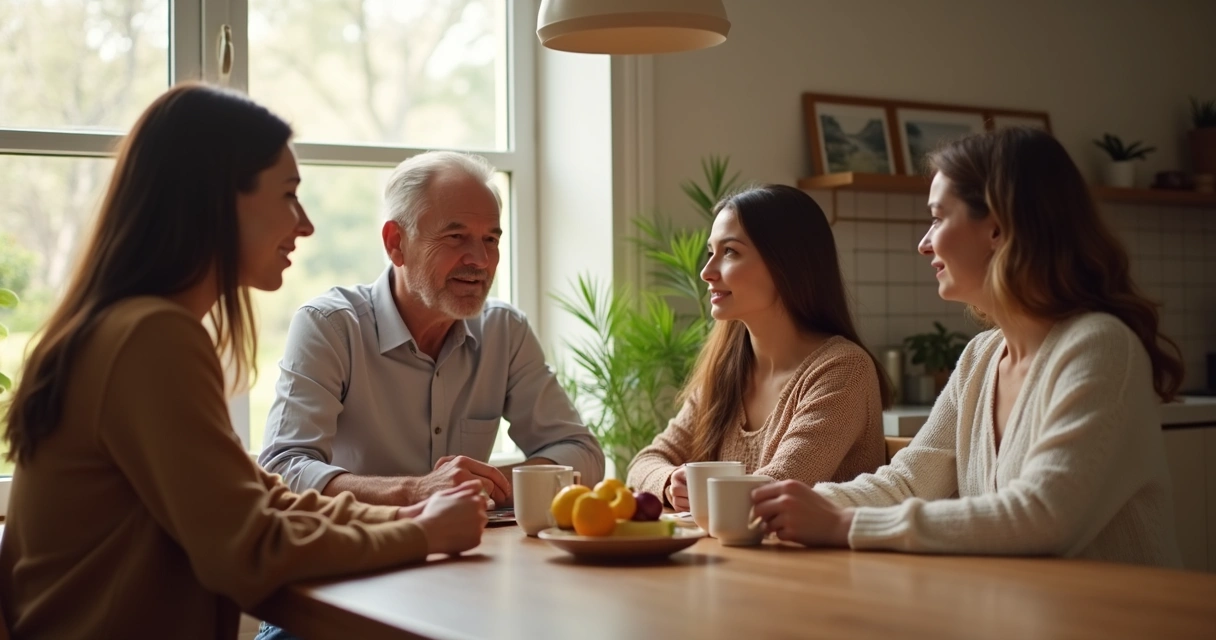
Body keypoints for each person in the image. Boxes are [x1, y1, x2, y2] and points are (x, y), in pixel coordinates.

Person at [0, 84, 488, 639]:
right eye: (287, 195)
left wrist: (406, 518)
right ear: (215, 201)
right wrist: (420, 535)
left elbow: (260, 499)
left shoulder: (125, 327)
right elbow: (246, 549)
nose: (304, 224)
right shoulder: (149, 339)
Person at [751, 127, 1184, 567]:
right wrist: (781, 503)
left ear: (997, 228)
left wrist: (843, 526)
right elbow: (907, 484)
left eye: (938, 218)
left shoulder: (1099, 346)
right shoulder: (981, 357)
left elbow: (1043, 517)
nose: (924, 243)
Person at [257, 151, 604, 511]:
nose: (480, 260)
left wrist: (486, 486)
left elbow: (583, 455)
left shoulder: (504, 330)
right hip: (363, 555)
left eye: (490, 240)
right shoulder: (330, 327)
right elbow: (283, 469)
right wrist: (415, 491)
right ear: (395, 243)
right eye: (456, 236)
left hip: (471, 554)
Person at [627, 185, 890, 509]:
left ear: (786, 265)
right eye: (712, 252)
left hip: (820, 561)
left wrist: (695, 490)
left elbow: (775, 490)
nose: (707, 272)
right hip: (739, 558)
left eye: (731, 252)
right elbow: (645, 462)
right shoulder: (728, 368)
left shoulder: (843, 370)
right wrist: (668, 483)